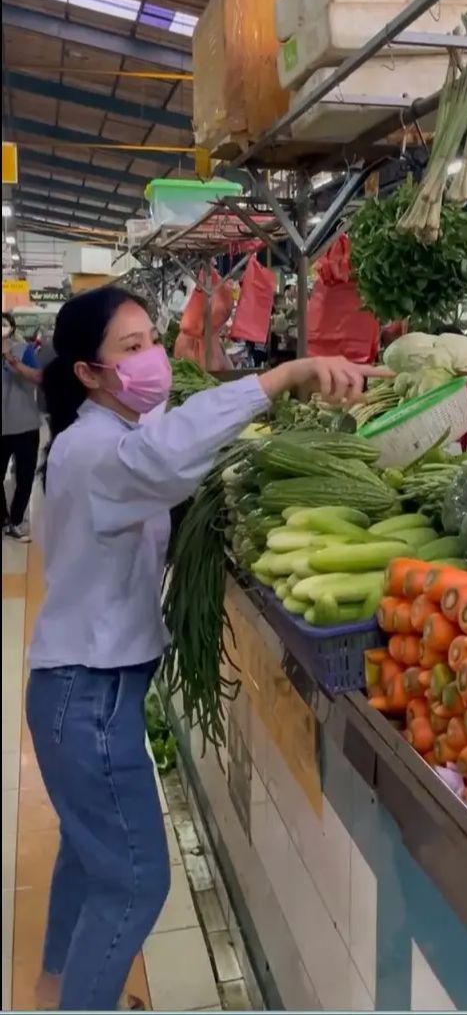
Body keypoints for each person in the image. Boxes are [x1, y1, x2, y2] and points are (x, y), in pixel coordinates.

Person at [27, 286, 390, 1012]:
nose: (152, 360)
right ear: (88, 373)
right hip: (88, 696)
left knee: (90, 853)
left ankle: (60, 988)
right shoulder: (99, 453)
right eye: (130, 350)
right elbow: (167, 455)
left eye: (152, 340)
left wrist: (239, 369)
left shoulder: (109, 429)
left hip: (82, 691)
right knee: (134, 880)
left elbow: (179, 428)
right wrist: (283, 375)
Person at [1, 311, 43, 540]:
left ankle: (16, 520)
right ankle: (4, 518)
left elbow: (39, 377)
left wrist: (13, 362)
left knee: (25, 476)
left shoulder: (24, 351)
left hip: (25, 425)